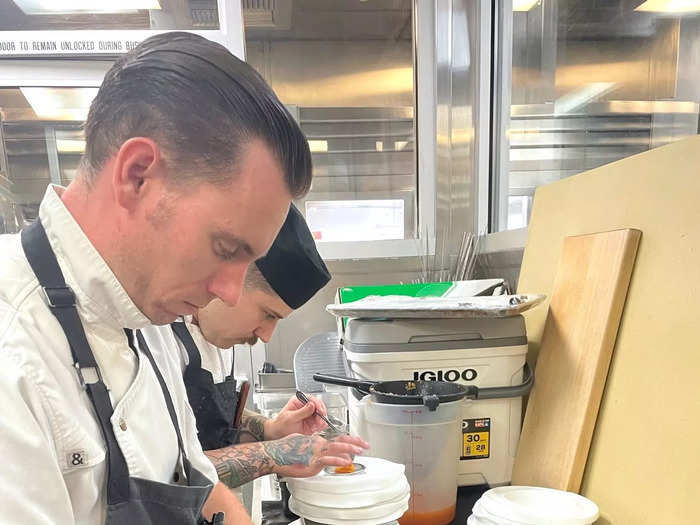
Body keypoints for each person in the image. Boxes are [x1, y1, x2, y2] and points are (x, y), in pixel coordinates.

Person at [0, 32, 313, 524]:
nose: (230, 291)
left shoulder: (149, 315)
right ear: (137, 175)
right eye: (226, 249)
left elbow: (201, 486)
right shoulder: (14, 352)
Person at [142, 204, 369, 492]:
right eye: (268, 314)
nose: (266, 335)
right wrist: (271, 454)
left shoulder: (218, 336)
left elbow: (207, 414)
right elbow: (163, 476)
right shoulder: (153, 338)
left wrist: (272, 429)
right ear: (229, 280)